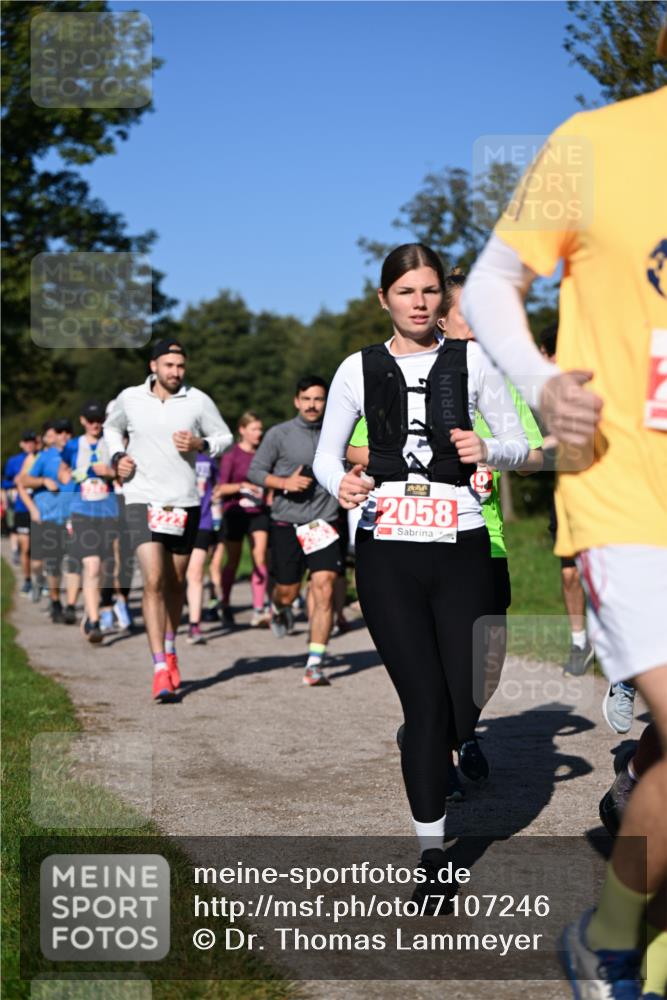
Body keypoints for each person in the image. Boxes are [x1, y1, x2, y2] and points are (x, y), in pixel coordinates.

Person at [461, 67, 667, 1000]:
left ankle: (613, 938)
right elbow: (491, 280)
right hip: (627, 493)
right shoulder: (589, 140)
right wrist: (541, 380)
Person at [313, 243, 529, 902]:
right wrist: (343, 486)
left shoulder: (471, 362)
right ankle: (433, 855)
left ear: (442, 298)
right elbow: (327, 455)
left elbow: (518, 443)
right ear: (384, 299)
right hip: (387, 552)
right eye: (405, 291)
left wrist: (486, 446)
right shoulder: (358, 367)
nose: (419, 302)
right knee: (426, 702)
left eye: (429, 291)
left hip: (460, 543)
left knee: (465, 699)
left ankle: (437, 736)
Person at [104, 338, 233, 701]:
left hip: (183, 502)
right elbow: (111, 429)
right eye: (169, 365)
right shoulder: (129, 398)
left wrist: (201, 445)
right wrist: (117, 457)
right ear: (153, 366)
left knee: (175, 583)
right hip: (140, 496)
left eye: (181, 366)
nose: (176, 372)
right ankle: (159, 666)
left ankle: (172, 647)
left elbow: (224, 435)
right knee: (154, 579)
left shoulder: (198, 400)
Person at [247, 376, 344, 686]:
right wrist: (284, 483)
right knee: (288, 589)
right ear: (297, 401)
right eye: (307, 399)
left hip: (325, 522)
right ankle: (280, 606)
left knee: (324, 587)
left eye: (319, 399)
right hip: (287, 522)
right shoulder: (279, 434)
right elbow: (255, 471)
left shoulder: (337, 432)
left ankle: (314, 662)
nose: (313, 405)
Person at [538, 326, 597, 680]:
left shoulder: (594, 380)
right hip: (568, 490)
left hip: (605, 489)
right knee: (570, 572)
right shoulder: (544, 394)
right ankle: (580, 644)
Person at [57, 401, 119, 643]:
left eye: (99, 419)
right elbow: (62, 472)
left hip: (108, 510)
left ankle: (90, 610)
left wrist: (111, 472)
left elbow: (124, 473)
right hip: (81, 510)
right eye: (91, 420)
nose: (96, 424)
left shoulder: (112, 443)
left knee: (103, 567)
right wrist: (72, 475)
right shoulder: (73, 446)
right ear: (82, 421)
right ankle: (94, 622)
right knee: (91, 565)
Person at [214, 411, 270, 628]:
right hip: (235, 512)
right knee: (234, 560)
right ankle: (225, 602)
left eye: (260, 429)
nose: (259, 433)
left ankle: (258, 609)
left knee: (260, 556)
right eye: (254, 429)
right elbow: (221, 487)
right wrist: (242, 486)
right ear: (242, 430)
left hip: (258, 512)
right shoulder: (232, 455)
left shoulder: (263, 454)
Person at [17, 419, 74, 623]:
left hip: (73, 516)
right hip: (48, 516)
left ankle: (69, 604)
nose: (63, 436)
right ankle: (52, 595)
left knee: (76, 562)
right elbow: (22, 481)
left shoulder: (77, 454)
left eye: (67, 431)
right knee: (49, 562)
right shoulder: (44, 457)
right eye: (58, 432)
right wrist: (43, 481)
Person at [185, 448, 219, 644]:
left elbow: (216, 484)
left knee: (196, 572)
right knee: (173, 575)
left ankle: (194, 625)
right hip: (174, 521)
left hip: (202, 521)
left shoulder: (208, 460)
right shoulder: (171, 455)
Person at [2, 430, 39, 595]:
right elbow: (5, 481)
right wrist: (17, 481)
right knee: (26, 547)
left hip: (41, 507)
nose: (30, 443)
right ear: (22, 443)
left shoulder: (43, 458)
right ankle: (28, 579)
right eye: (27, 441)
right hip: (22, 508)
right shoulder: (14, 461)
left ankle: (42, 578)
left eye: (32, 441)